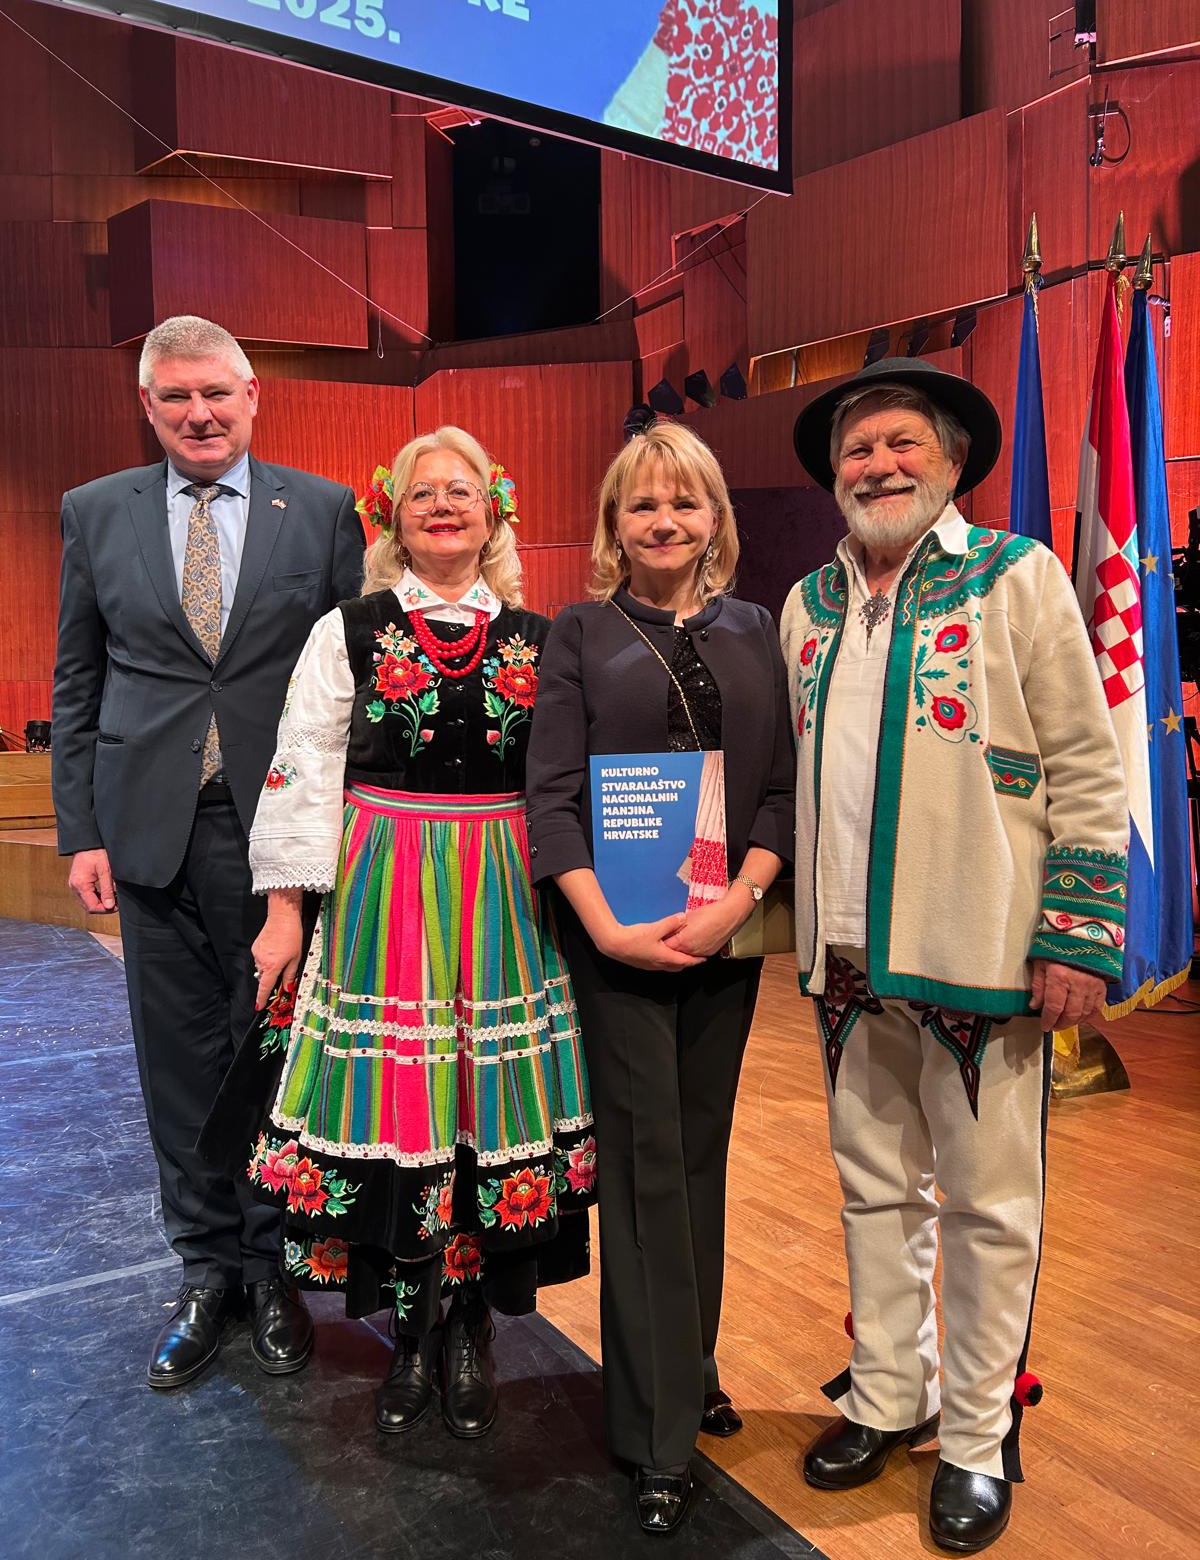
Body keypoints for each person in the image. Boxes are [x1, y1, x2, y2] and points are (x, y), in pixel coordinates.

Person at [781, 357, 1128, 1553]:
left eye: (901, 444)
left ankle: (978, 1436)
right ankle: (892, 1392)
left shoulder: (1017, 575)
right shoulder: (805, 604)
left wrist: (1076, 932)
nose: (877, 465)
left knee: (989, 1207)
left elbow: (1087, 759)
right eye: (857, 450)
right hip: (843, 956)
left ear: (953, 460)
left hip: (982, 949)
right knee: (873, 1189)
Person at [233, 426, 596, 1438]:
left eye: (461, 490)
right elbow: (303, 765)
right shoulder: (348, 630)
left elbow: (569, 777)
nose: (442, 505)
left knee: (479, 1107)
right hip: (384, 896)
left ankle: (471, 1326)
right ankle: (411, 1327)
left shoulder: (540, 636)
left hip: (502, 902)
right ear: (393, 515)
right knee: (406, 1112)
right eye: (423, 492)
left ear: (494, 512)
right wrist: (284, 913)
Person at [50, 315, 365, 1390]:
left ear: (252, 395)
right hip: (147, 832)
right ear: (148, 405)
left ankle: (273, 1269)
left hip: (280, 839)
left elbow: (350, 683)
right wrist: (82, 829)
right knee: (176, 1060)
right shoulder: (95, 512)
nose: (199, 414)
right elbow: (78, 681)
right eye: (177, 397)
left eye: (217, 393)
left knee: (269, 1055)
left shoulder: (320, 509)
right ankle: (205, 1270)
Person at [526, 420, 794, 1533]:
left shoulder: (758, 628)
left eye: (686, 502)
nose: (666, 520)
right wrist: (606, 931)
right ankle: (654, 1436)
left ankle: (689, 1366)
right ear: (614, 523)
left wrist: (739, 904)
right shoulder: (580, 632)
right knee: (643, 1171)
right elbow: (552, 799)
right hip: (620, 948)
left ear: (715, 518)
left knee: (698, 1156)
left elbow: (778, 789)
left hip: (726, 938)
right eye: (644, 503)